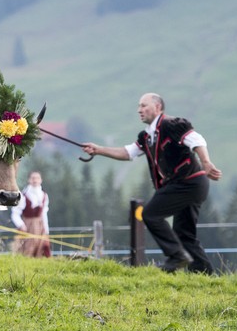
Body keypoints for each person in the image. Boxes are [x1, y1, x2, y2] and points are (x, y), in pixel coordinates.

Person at [82, 93, 222, 274]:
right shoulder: (146, 137)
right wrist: (98, 149)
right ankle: (205, 276)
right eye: (139, 106)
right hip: (191, 185)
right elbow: (128, 152)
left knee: (149, 214)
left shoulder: (171, 125)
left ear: (157, 107)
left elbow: (197, 140)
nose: (139, 110)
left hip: (188, 182)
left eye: (143, 106)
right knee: (184, 235)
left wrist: (206, 162)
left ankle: (176, 256)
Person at [11, 171, 51, 258]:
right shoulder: (23, 195)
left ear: (41, 180)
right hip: (27, 225)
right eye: (33, 178)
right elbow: (15, 213)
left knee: (42, 248)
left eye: (37, 178)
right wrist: (21, 225)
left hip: (40, 226)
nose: (35, 180)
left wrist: (46, 230)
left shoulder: (44, 195)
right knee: (27, 249)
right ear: (29, 180)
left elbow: (44, 214)